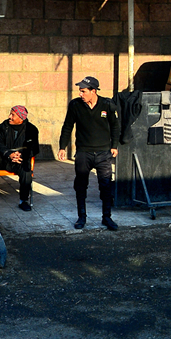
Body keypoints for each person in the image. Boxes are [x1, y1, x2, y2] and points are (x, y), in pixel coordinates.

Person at [58, 76, 120, 230]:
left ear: (93, 91)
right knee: (80, 185)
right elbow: (67, 126)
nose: (81, 94)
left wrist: (114, 145)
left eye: (83, 91)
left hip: (103, 153)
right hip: (83, 153)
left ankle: (107, 217)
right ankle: (81, 217)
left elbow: (115, 126)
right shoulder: (75, 105)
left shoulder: (107, 105)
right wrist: (62, 147)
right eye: (80, 91)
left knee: (105, 186)